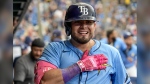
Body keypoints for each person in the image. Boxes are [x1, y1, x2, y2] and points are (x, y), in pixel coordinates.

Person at [34, 2, 131, 84]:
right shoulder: (54, 49)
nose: (83, 26)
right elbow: (43, 81)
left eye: (88, 22)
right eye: (77, 22)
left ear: (94, 25)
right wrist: (79, 67)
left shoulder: (112, 53)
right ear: (68, 26)